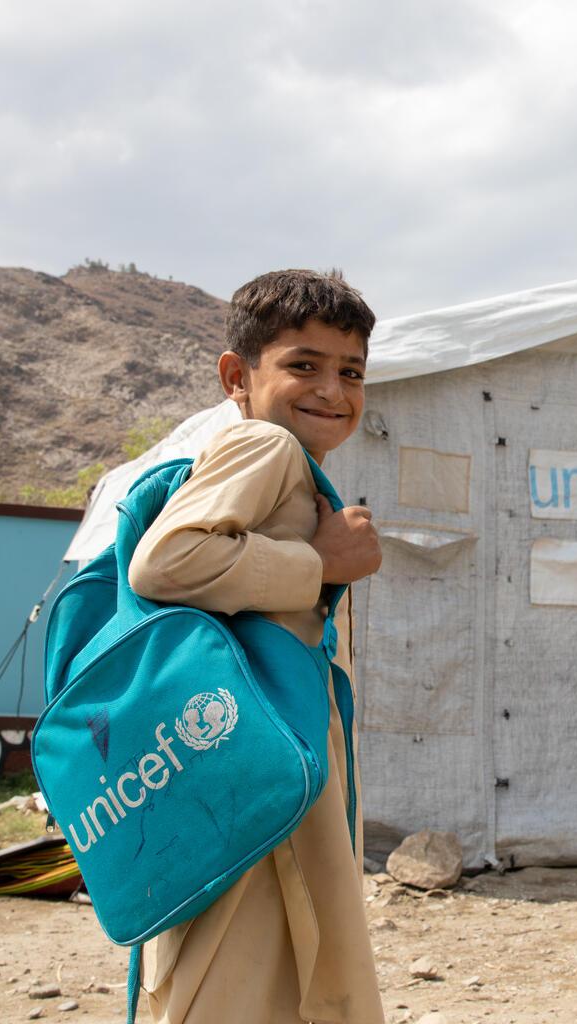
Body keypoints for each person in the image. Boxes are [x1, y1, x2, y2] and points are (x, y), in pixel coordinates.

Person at [126, 268, 385, 1024]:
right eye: (303, 365)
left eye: (352, 373)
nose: (332, 391)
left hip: (267, 750)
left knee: (280, 958)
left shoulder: (289, 466)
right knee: (244, 965)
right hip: (253, 755)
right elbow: (166, 563)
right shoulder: (261, 447)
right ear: (237, 376)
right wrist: (321, 566)